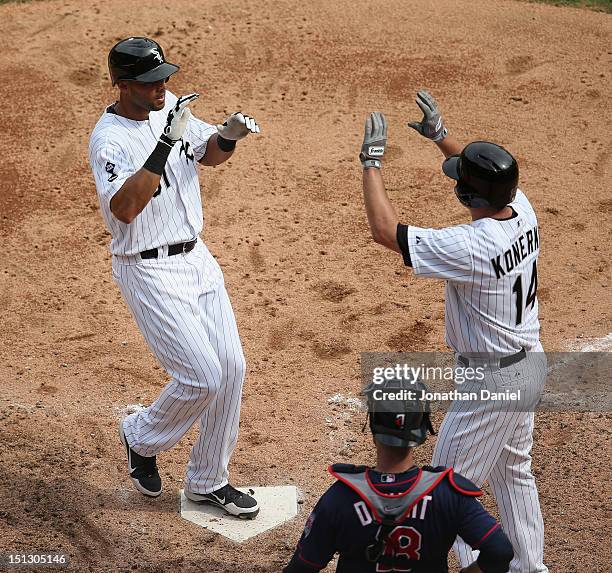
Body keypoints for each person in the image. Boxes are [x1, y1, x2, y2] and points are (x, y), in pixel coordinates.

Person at [358, 92, 548, 571]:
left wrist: (371, 163)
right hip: (529, 365)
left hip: (492, 385)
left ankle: (461, 565)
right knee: (512, 472)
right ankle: (530, 567)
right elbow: (490, 179)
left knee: (446, 492)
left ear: (467, 195)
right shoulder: (522, 210)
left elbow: (386, 231)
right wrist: (443, 139)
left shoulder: (471, 246)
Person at [88, 37, 260, 519]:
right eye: (149, 82)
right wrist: (165, 143)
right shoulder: (110, 139)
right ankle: (140, 437)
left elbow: (207, 153)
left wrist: (226, 136)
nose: (161, 87)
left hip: (197, 259)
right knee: (201, 376)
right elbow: (124, 208)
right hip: (149, 269)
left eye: (164, 77)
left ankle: (209, 481)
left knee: (231, 369)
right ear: (122, 85)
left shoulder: (173, 110)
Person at [283, 377, 514, 572]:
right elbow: (500, 552)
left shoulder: (340, 498)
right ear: (422, 429)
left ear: (372, 426)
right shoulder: (449, 495)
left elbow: (302, 567)